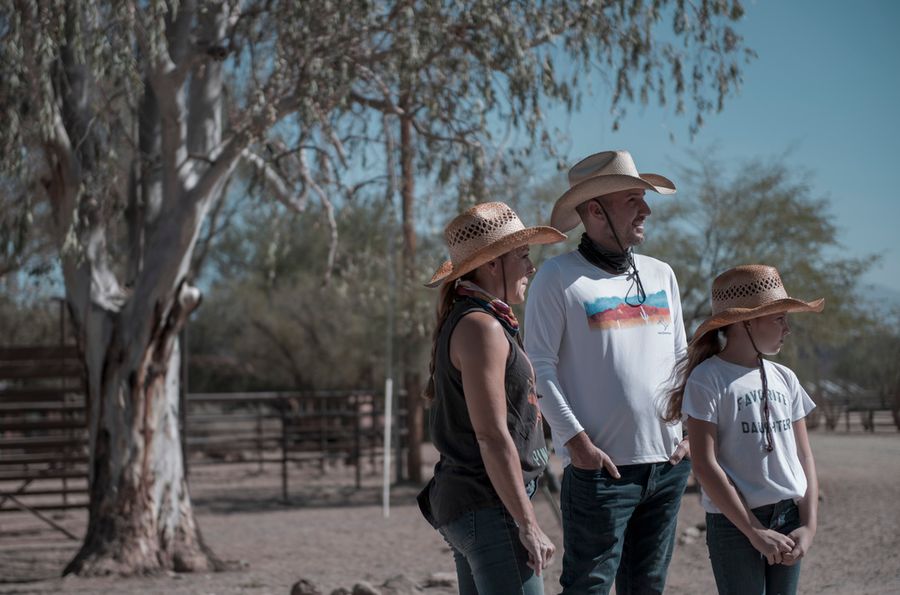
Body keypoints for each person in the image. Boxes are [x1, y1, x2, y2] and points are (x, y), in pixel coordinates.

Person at [524, 150, 691, 594]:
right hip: (602, 470)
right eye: (634, 199)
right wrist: (576, 443)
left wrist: (688, 433)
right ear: (595, 210)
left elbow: (681, 359)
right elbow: (538, 368)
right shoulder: (556, 278)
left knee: (647, 587)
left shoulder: (662, 274)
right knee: (589, 587)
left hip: (667, 464)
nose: (647, 210)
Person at [417, 201, 565, 595]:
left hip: (476, 501)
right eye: (523, 256)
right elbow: (491, 436)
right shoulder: (481, 326)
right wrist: (527, 522)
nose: (531, 268)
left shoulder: (478, 320)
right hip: (489, 502)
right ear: (492, 264)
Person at [662, 264, 822, 595]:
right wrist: (753, 531)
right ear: (747, 321)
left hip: (789, 515)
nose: (787, 328)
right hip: (734, 524)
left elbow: (804, 456)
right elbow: (705, 466)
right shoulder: (708, 379)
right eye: (778, 318)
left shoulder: (785, 378)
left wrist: (809, 525)